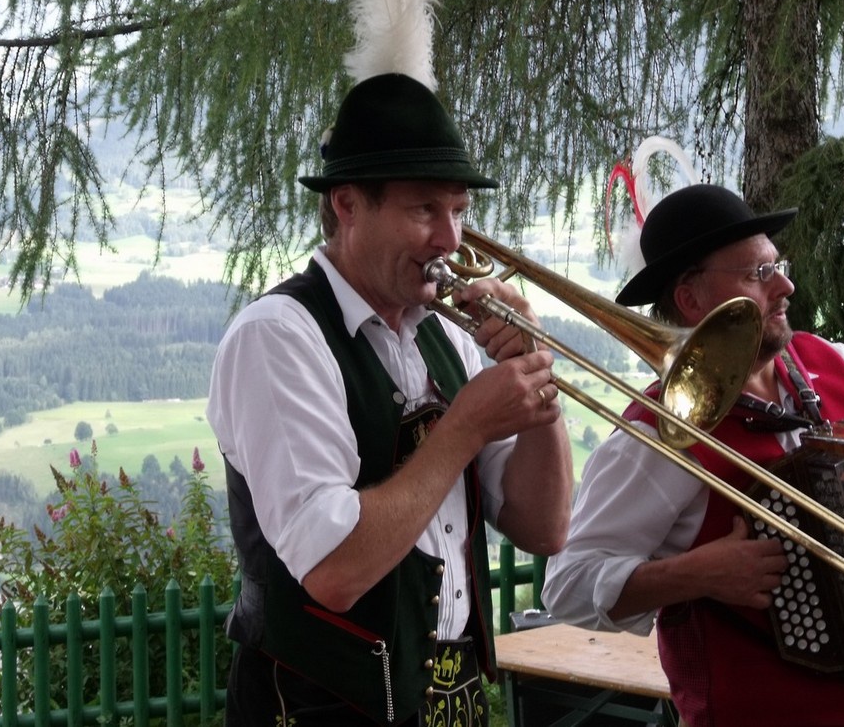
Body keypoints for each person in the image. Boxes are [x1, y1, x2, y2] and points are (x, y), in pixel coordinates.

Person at [206, 74, 573, 722]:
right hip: (318, 709)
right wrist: (464, 426)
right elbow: (334, 571)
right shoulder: (278, 336)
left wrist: (535, 375)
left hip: (453, 700)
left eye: (458, 210)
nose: (451, 240)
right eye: (424, 210)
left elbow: (544, 527)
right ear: (348, 206)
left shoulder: (448, 337)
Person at [542, 183, 844, 727]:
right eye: (758, 274)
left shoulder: (830, 361)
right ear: (692, 300)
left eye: (777, 266)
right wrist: (695, 575)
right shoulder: (659, 435)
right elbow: (568, 585)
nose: (785, 286)